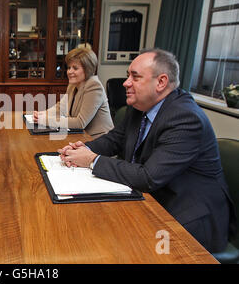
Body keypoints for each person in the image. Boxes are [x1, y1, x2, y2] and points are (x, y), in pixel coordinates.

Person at [58, 48, 236, 253]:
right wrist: (82, 148)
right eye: (127, 76)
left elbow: (148, 176)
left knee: (111, 247)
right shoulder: (140, 107)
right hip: (154, 198)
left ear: (161, 82)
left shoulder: (185, 118)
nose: (125, 83)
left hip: (190, 217)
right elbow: (115, 139)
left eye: (135, 77)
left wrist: (91, 160)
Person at [33, 47, 113, 138]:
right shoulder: (73, 84)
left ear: (87, 69)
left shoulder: (94, 86)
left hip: (99, 139)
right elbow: (61, 108)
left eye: (75, 68)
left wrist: (45, 120)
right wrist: (43, 114)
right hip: (80, 135)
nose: (69, 71)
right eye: (69, 67)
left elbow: (80, 123)